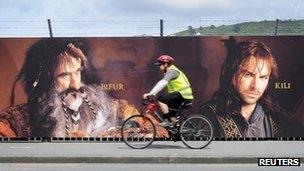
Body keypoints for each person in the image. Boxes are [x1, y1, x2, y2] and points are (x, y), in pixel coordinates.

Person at [0, 38, 144, 138]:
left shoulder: (115, 108)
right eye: (64, 76)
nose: (76, 84)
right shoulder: (14, 122)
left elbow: (149, 129)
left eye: (77, 72)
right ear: (45, 81)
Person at [202, 40, 304, 138]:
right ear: (231, 74)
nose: (255, 86)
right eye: (248, 75)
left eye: (263, 77)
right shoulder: (206, 118)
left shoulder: (280, 119)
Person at [143, 55, 194, 127]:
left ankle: (167, 121)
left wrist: (151, 94)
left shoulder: (172, 71)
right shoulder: (168, 72)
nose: (159, 67)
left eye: (160, 65)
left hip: (182, 95)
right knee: (171, 115)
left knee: (161, 99)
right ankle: (177, 127)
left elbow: (162, 83)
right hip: (179, 96)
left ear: (166, 64)